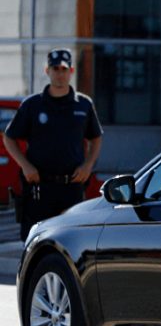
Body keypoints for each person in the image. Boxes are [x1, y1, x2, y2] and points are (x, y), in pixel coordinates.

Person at [3, 49, 102, 240]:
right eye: (55, 68)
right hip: (39, 188)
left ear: (71, 71)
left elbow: (96, 138)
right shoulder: (33, 105)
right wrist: (26, 166)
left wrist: (88, 165)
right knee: (35, 241)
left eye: (64, 69)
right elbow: (9, 138)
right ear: (47, 71)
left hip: (71, 187)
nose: (60, 73)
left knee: (71, 240)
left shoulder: (83, 104)